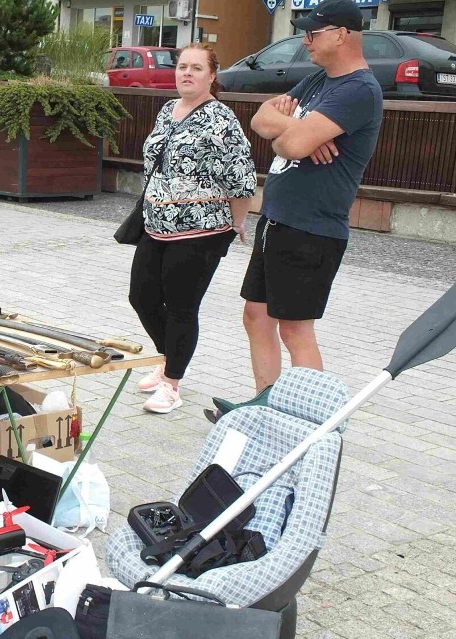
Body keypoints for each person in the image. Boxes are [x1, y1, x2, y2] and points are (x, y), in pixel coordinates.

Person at [236, 0, 384, 399]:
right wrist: (301, 132)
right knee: (257, 316)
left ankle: (309, 419)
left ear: (341, 34)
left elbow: (292, 143)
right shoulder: (320, 82)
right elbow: (260, 119)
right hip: (278, 218)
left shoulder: (358, 89)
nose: (306, 41)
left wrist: (296, 136)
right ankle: (265, 406)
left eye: (313, 33)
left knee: (295, 328)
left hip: (312, 227)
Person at [129, 43, 256, 414]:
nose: (187, 73)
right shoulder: (168, 109)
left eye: (196, 68)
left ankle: (172, 383)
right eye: (182, 66)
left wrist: (237, 223)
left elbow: (241, 178)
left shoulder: (221, 120)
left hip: (202, 230)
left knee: (182, 307)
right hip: (156, 225)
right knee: (142, 296)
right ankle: (170, 359)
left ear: (211, 76)